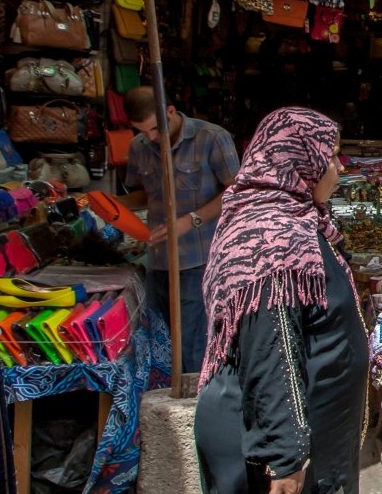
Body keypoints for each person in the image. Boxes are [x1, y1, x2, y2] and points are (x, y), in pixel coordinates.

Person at [194, 107, 368, 494]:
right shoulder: (272, 240)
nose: (338, 169)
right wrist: (286, 458)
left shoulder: (295, 220)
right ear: (300, 159)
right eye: (331, 156)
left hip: (302, 435)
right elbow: (271, 348)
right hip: (276, 454)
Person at [118, 86, 239, 373]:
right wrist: (111, 205)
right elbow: (140, 195)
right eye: (141, 130)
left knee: (192, 344)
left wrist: (191, 220)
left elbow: (237, 191)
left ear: (170, 112)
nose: (149, 138)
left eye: (153, 129)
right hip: (158, 260)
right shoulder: (139, 147)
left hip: (199, 259)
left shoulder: (211, 137)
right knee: (159, 337)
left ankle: (194, 407)